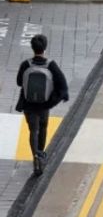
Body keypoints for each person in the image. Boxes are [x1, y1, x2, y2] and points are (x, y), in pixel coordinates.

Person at [15, 34, 68, 176]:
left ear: (32, 48)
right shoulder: (50, 64)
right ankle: (41, 155)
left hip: (28, 103)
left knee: (33, 130)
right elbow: (62, 84)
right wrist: (58, 97)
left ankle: (35, 157)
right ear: (45, 47)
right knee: (43, 127)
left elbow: (19, 82)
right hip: (44, 104)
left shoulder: (26, 64)